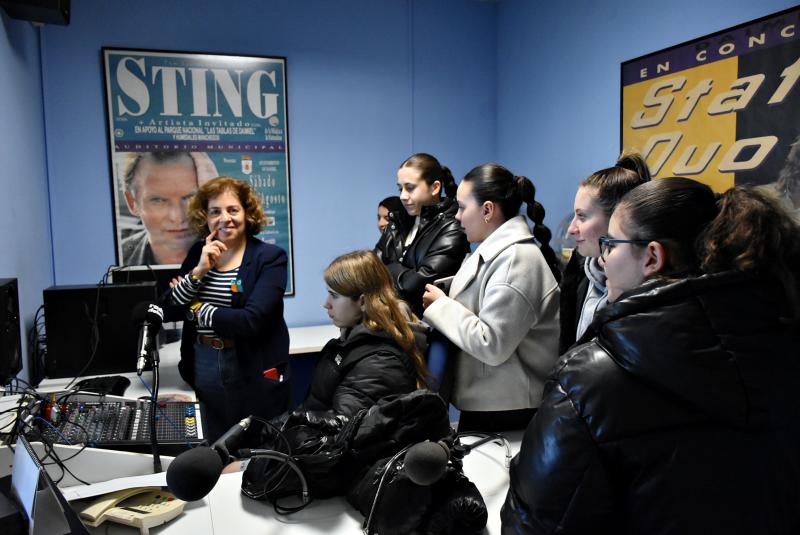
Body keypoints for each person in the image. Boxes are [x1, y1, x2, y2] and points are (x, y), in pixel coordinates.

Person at [502, 178, 800, 534]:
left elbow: (532, 524)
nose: (603, 257)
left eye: (611, 245)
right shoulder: (782, 348)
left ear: (653, 257)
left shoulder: (587, 380)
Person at [421, 163, 561, 432]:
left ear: (487, 210)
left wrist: (441, 305)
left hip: (509, 412)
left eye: (462, 208)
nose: (457, 217)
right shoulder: (495, 253)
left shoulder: (516, 261)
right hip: (490, 404)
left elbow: (491, 343)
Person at [164, 176, 290, 442]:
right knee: (214, 439)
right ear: (205, 217)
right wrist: (198, 272)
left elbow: (251, 320)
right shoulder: (199, 252)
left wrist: (195, 308)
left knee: (254, 440)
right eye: (215, 211)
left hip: (250, 362)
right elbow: (170, 307)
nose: (225, 218)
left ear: (247, 212)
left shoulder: (269, 257)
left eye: (233, 209)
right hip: (204, 359)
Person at [293, 250, 428, 419]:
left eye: (334, 295)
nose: (326, 304)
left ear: (363, 302)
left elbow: (339, 429)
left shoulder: (380, 361)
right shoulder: (351, 342)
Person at [559, 153, 650, 354]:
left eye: (582, 216)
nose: (571, 229)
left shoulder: (645, 289)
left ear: (617, 218)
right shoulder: (579, 270)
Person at [375, 153, 469, 317]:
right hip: (391, 319)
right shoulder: (398, 220)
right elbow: (371, 268)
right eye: (400, 188)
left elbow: (415, 286)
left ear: (435, 187)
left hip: (427, 326)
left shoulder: (453, 226)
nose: (403, 196)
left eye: (410, 188)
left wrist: (389, 268)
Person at [121, 151, 218, 266]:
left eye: (191, 198)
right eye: (158, 200)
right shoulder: (121, 255)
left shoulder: (237, 253)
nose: (177, 217)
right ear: (132, 203)